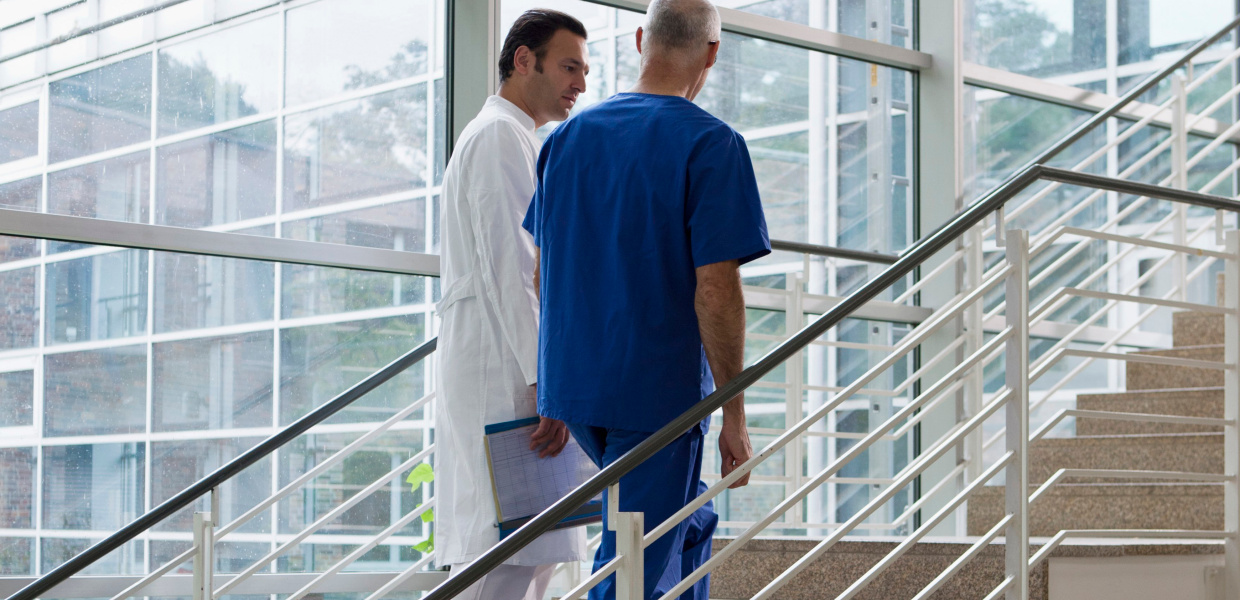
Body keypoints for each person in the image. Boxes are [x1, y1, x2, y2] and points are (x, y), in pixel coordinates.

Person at [521, 0, 770, 598]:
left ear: (640, 39)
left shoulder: (567, 139)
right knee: (631, 562)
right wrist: (733, 413)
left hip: (578, 390)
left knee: (687, 522)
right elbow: (716, 289)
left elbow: (541, 272)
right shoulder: (711, 144)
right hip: (656, 397)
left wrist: (556, 374)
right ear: (711, 53)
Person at [434, 10, 591, 600]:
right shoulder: (500, 135)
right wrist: (541, 379)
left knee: (535, 550)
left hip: (508, 363)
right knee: (507, 555)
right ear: (524, 59)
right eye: (569, 66)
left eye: (584, 70)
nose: (579, 83)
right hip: (508, 371)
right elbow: (514, 268)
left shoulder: (517, 137)